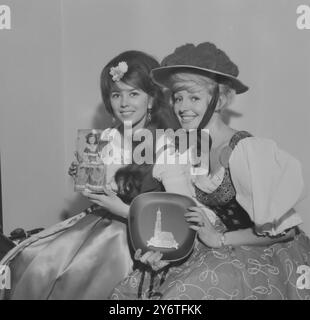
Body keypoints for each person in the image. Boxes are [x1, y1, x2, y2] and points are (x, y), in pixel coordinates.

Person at [110, 42, 310, 300]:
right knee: (135, 291)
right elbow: (195, 219)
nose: (182, 107)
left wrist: (220, 240)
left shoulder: (244, 151)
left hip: (264, 255)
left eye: (194, 97)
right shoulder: (184, 149)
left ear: (220, 100)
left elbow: (286, 231)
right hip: (210, 247)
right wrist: (165, 253)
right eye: (178, 97)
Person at [0, 50, 191, 300]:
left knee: (77, 275)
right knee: (32, 260)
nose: (124, 103)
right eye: (116, 94)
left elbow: (183, 214)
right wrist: (84, 172)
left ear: (151, 100)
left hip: (135, 238)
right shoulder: (108, 137)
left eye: (134, 93)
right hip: (97, 223)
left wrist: (123, 209)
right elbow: (100, 182)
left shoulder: (164, 147)